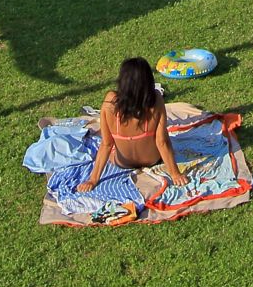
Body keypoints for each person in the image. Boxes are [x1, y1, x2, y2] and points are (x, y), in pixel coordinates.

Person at [79, 57, 189, 192]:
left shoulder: (110, 102)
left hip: (123, 162)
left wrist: (93, 179)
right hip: (152, 159)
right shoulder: (156, 100)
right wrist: (175, 174)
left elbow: (106, 144)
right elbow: (162, 142)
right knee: (163, 134)